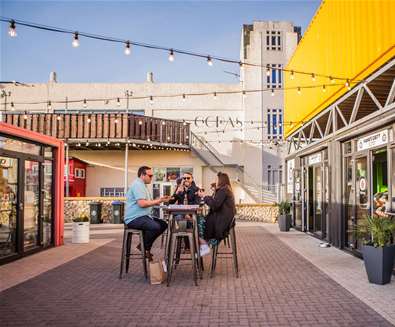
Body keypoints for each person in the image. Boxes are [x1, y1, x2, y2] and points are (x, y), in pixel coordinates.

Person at [124, 166, 171, 261]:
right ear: (142, 175)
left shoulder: (142, 185)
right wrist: (158, 200)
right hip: (134, 218)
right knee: (155, 227)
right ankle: (145, 248)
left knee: (163, 224)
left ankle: (144, 246)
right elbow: (142, 204)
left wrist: (160, 200)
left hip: (143, 217)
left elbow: (147, 203)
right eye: (150, 176)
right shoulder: (138, 185)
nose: (151, 178)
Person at [197, 172, 236, 256]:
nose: (215, 181)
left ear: (220, 180)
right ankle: (205, 245)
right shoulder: (226, 189)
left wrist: (204, 197)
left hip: (221, 223)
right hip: (223, 220)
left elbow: (214, 205)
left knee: (196, 222)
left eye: (216, 179)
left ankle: (205, 245)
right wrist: (207, 197)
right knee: (198, 221)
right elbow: (216, 202)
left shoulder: (223, 190)